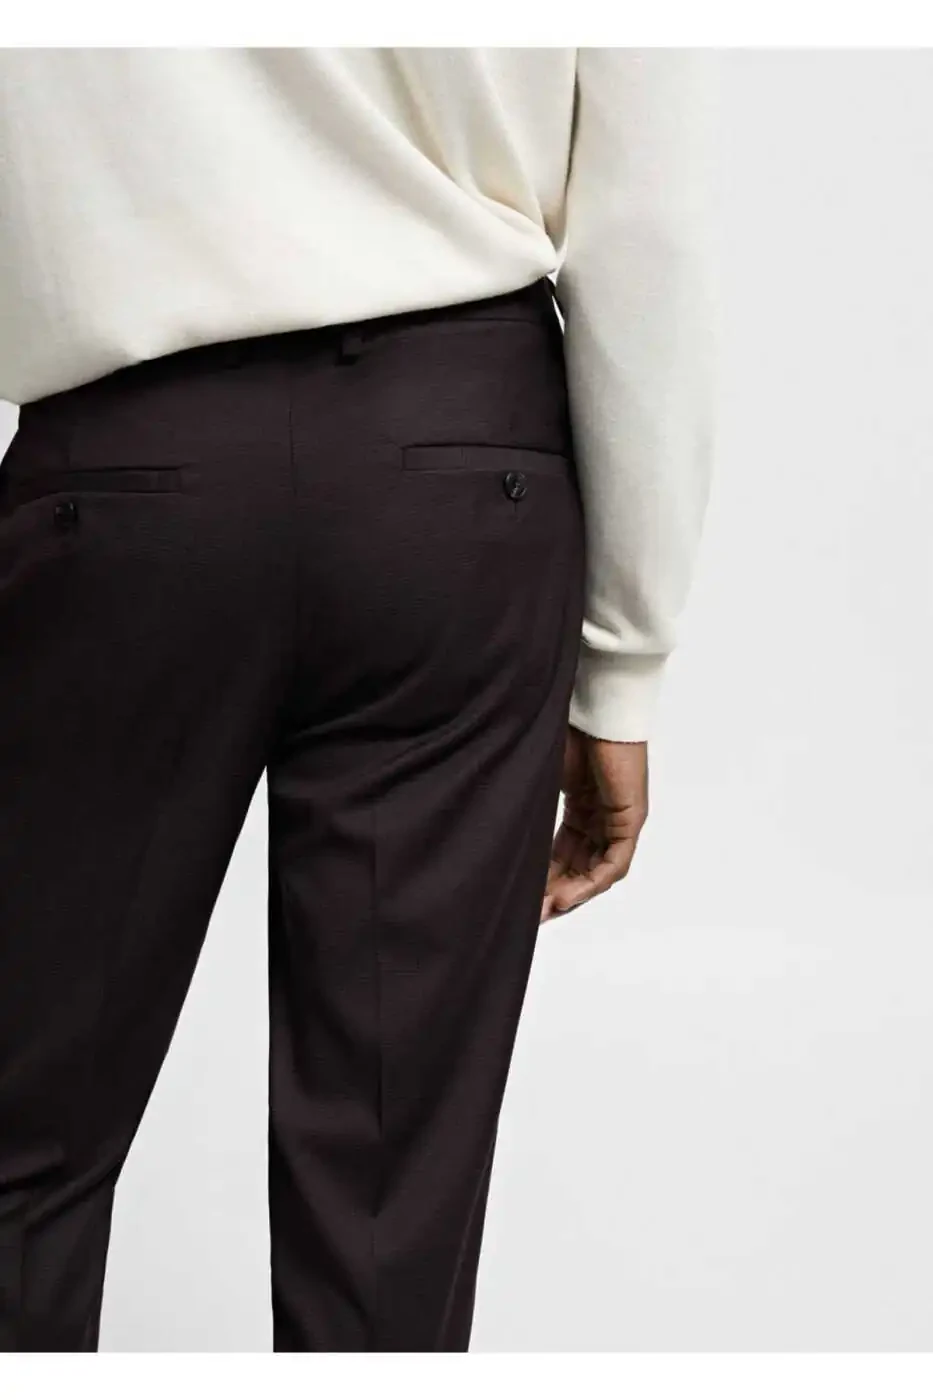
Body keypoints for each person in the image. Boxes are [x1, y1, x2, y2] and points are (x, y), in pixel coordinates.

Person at [0, 47, 715, 1351]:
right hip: (457, 477)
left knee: (18, 1145)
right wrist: (622, 663)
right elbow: (647, 216)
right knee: (389, 1206)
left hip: (125, 479)